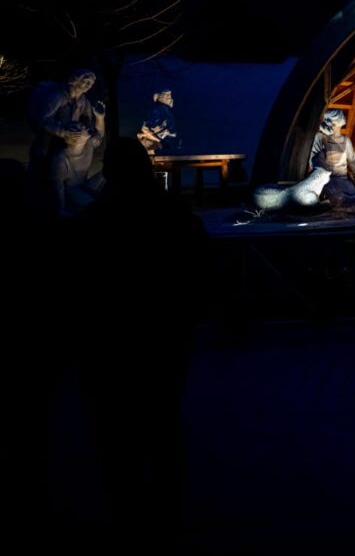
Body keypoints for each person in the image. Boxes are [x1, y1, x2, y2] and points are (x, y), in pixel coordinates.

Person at [73, 137, 209, 546]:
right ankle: (168, 517)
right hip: (164, 342)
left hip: (113, 350)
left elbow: (77, 290)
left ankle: (128, 519)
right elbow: (200, 272)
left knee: (119, 442)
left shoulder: (94, 224)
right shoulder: (176, 217)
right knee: (164, 430)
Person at [28, 69, 102, 200]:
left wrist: (86, 128)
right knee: (43, 170)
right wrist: (63, 132)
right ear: (76, 80)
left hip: (69, 142)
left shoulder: (83, 101)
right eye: (86, 81)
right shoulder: (58, 96)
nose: (88, 85)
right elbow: (42, 119)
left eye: (91, 83)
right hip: (48, 140)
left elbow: (87, 120)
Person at [309, 108, 355, 206]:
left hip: (343, 181)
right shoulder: (320, 138)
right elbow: (314, 162)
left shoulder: (346, 140)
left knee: (353, 200)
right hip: (327, 182)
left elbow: (353, 162)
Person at [137, 89, 179, 154]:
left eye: (170, 96)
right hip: (155, 146)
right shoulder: (159, 111)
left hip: (165, 145)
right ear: (158, 97)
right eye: (167, 96)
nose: (170, 99)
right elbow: (145, 129)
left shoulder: (166, 111)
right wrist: (159, 140)